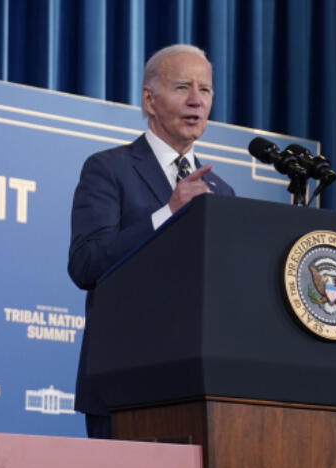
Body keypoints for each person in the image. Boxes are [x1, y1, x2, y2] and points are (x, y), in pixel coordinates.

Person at [68, 44, 235, 439]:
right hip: (124, 385)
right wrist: (167, 213)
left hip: (199, 389)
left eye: (206, 90)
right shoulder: (108, 169)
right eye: (182, 87)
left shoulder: (221, 191)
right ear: (150, 100)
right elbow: (86, 263)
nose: (197, 100)